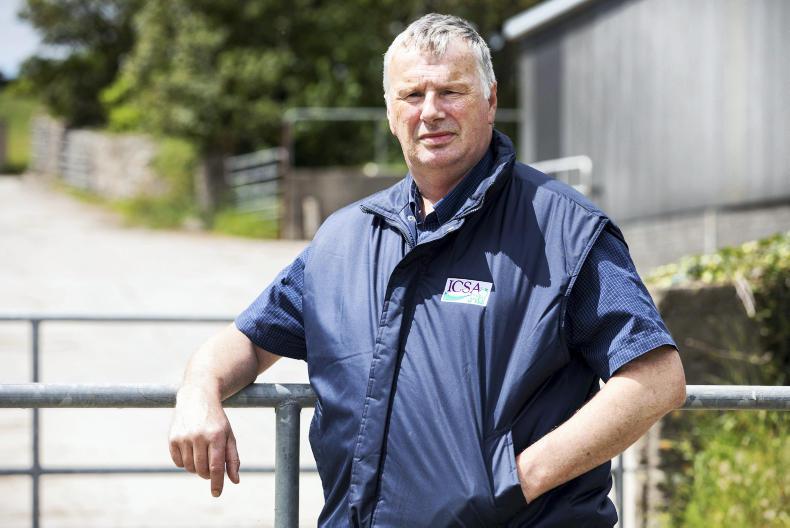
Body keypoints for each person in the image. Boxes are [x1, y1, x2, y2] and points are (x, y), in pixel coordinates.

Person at [168, 13, 686, 527]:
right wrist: (198, 391)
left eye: (451, 92)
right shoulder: (344, 240)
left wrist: (514, 481)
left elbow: (656, 378)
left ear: (491, 101)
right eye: (412, 95)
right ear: (390, 112)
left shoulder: (564, 230)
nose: (431, 111)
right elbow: (249, 340)